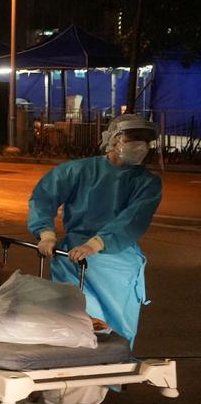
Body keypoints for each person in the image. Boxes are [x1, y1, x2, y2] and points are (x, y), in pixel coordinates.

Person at [27, 113, 162, 347]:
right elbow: (43, 197)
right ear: (112, 139)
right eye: (133, 138)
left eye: (145, 141)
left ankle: (111, 379)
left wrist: (96, 244)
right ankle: (70, 375)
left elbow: (133, 219)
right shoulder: (79, 171)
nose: (140, 146)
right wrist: (46, 234)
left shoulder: (147, 182)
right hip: (73, 258)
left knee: (116, 330)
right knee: (72, 323)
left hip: (116, 262)